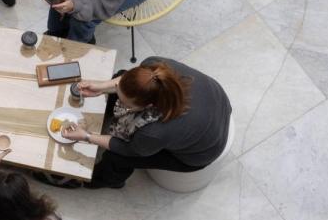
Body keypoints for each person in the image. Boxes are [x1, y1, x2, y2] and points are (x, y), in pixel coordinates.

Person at [36, 57, 231, 189]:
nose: (120, 101)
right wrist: (103, 87)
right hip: (217, 102)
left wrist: (87, 136)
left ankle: (106, 181)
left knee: (119, 157)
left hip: (202, 152)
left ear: (148, 106)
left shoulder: (154, 132)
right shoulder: (154, 66)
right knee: (118, 75)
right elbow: (128, 76)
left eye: (124, 102)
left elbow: (129, 149)